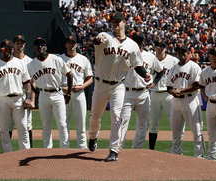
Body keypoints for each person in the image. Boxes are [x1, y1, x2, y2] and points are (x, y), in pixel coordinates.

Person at [88, 11, 150, 162]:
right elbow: (96, 42)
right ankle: (92, 136)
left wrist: (145, 74)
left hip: (119, 85)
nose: (115, 24)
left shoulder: (132, 45)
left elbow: (137, 65)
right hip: (101, 84)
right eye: (113, 21)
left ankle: (114, 150)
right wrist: (97, 39)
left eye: (118, 21)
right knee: (95, 116)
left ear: (124, 23)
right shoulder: (106, 36)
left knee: (117, 115)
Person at [120, 31, 164, 149]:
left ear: (143, 42)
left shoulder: (150, 56)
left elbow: (161, 70)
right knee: (122, 123)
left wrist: (154, 83)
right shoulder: (125, 54)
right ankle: (117, 149)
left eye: (141, 40)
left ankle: (137, 151)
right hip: (127, 93)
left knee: (142, 125)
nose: (139, 43)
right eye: (136, 40)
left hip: (144, 93)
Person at [27, 37, 73, 148]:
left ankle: (64, 149)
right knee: (46, 125)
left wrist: (69, 93)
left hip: (57, 93)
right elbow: (27, 81)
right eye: (37, 45)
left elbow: (69, 74)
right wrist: (37, 93)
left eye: (42, 44)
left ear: (46, 47)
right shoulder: (31, 64)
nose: (40, 47)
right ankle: (47, 149)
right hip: (43, 94)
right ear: (35, 48)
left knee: (62, 123)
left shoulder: (56, 59)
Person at [0, 39, 33, 153]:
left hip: (19, 98)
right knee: (3, 129)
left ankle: (25, 153)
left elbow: (27, 82)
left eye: (10, 48)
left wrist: (28, 97)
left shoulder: (19, 63)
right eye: (5, 49)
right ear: (1, 50)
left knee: (23, 128)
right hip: (1, 99)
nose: (8, 51)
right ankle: (7, 155)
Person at [167, 44, 205, 158]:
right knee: (176, 132)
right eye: (179, 51)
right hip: (176, 102)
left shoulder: (194, 66)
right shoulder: (173, 69)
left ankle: (200, 156)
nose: (181, 53)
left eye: (184, 52)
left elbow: (196, 85)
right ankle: (176, 155)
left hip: (191, 100)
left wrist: (181, 90)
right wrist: (172, 92)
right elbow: (168, 86)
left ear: (189, 53)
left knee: (197, 130)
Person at [60, 34, 93, 149]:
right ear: (65, 44)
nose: (71, 44)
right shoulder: (59, 59)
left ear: (76, 45)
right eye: (69, 42)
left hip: (79, 92)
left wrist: (83, 86)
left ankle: (82, 149)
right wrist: (61, 88)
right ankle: (64, 149)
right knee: (64, 124)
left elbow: (90, 78)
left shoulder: (83, 59)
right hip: (63, 93)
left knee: (81, 125)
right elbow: (54, 77)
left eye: (73, 42)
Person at [148, 39, 180, 150]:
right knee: (153, 124)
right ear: (154, 47)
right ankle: (151, 150)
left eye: (162, 46)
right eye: (158, 46)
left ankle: (176, 150)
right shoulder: (150, 58)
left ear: (166, 48)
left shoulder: (173, 61)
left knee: (174, 123)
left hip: (168, 95)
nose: (160, 48)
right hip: (154, 94)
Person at [9, 35, 35, 148]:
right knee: (8, 126)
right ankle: (5, 154)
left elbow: (33, 82)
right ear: (13, 44)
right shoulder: (8, 59)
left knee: (27, 125)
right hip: (10, 96)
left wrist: (31, 99)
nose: (20, 45)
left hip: (24, 96)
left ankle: (29, 152)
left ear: (24, 44)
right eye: (17, 42)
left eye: (22, 42)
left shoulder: (29, 61)